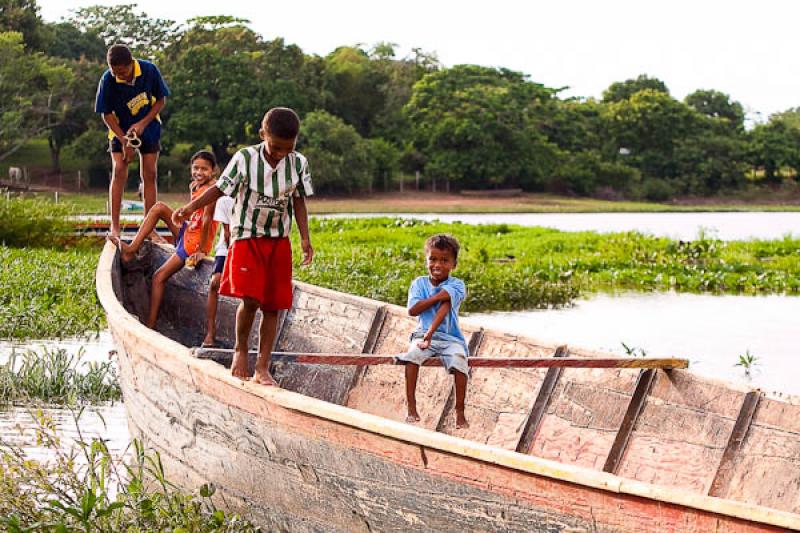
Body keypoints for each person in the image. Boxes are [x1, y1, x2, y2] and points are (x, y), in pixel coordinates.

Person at [172, 107, 314, 386]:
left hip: (278, 240)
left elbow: (298, 200)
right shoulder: (245, 158)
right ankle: (240, 352)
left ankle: (262, 367)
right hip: (247, 237)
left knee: (273, 306)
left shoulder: (298, 163)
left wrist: (305, 238)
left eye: (288, 148)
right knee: (250, 299)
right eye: (275, 147)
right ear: (263, 136)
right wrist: (190, 207)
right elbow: (221, 189)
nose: (281, 154)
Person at [112, 150, 219, 329]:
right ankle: (132, 248)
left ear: (213, 171)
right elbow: (196, 216)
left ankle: (151, 325)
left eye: (204, 169)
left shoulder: (211, 191)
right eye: (195, 168)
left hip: (193, 243)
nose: (199, 173)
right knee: (159, 208)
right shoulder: (195, 186)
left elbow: (207, 220)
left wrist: (201, 250)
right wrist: (181, 217)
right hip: (188, 232)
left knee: (158, 277)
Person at [95, 43, 170, 238]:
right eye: (114, 72)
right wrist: (124, 140)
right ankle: (115, 227)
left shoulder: (149, 70)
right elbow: (106, 114)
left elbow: (161, 100)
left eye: (122, 72)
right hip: (119, 127)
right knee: (119, 170)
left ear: (131, 64)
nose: (119, 76)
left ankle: (149, 228)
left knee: (150, 173)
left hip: (148, 123)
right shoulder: (107, 79)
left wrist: (143, 124)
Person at [396, 234, 470, 429]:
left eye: (445, 260)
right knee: (412, 356)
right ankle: (411, 406)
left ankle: (460, 411)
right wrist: (437, 297)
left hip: (450, 338)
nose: (438, 264)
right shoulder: (419, 284)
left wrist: (431, 333)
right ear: (426, 260)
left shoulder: (456, 285)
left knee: (460, 361)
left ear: (454, 264)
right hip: (421, 335)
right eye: (433, 259)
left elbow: (444, 309)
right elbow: (413, 310)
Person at [203, 193, 235, 348]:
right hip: (227, 247)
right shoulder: (225, 201)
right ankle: (210, 331)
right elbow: (228, 234)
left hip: (248, 245)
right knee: (215, 283)